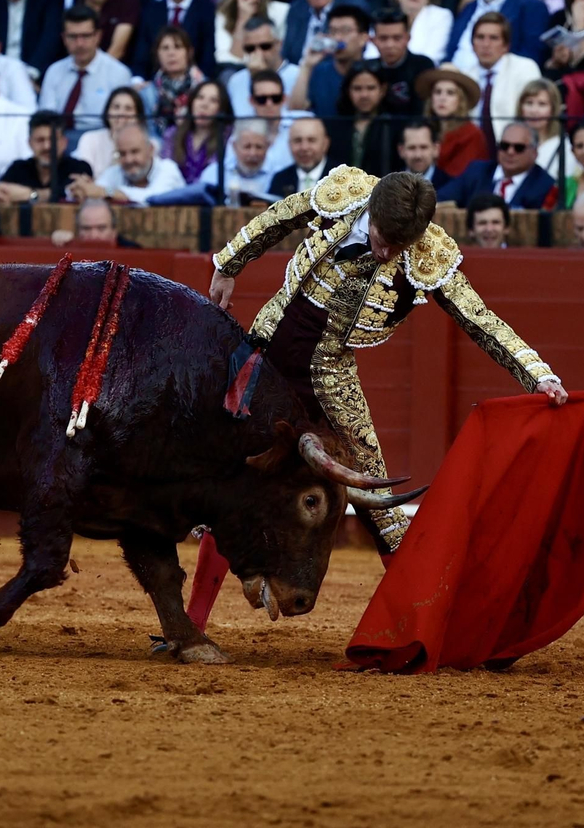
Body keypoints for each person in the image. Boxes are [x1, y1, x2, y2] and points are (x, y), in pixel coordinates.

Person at [196, 165, 564, 616]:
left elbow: (481, 320)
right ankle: (191, 624)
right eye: (381, 237)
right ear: (370, 210)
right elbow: (279, 217)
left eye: (399, 245)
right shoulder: (345, 193)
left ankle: (427, 621)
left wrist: (538, 374)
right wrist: (227, 265)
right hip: (268, 350)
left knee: (381, 503)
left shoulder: (428, 256)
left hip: (330, 377)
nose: (387, 251)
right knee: (230, 478)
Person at [458, 12, 542, 161]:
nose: (486, 44)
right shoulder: (465, 76)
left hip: (515, 151)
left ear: (506, 45)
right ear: (472, 44)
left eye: (493, 38)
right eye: (480, 37)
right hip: (473, 156)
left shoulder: (525, 68)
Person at [37, 5, 134, 135]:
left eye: (86, 36)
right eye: (73, 37)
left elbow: (122, 124)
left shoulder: (118, 73)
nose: (80, 44)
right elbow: (46, 118)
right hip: (59, 139)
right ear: (64, 38)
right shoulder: (54, 71)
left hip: (102, 138)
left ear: (98, 36)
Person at [437, 120, 555, 207]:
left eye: (519, 148)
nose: (510, 152)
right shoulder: (476, 171)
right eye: (504, 146)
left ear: (534, 152)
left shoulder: (545, 184)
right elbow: (440, 199)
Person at [0, 111, 88, 202]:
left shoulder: (78, 168)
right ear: (30, 143)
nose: (47, 146)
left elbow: (70, 194)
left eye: (52, 140)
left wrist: (31, 195)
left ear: (64, 142)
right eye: (40, 140)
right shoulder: (18, 168)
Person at [74, 120, 184, 201]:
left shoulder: (168, 169)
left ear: (150, 149)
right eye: (122, 154)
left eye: (134, 152)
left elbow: (152, 198)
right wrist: (82, 189)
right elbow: (96, 190)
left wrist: (107, 192)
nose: (128, 160)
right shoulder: (114, 172)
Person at [216, 0, 288, 67]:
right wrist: (242, 18)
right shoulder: (222, 16)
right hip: (239, 72)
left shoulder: (281, 11)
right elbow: (229, 61)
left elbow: (282, 54)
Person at [328, 63, 397, 170]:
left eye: (371, 88)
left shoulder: (394, 126)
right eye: (357, 88)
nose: (364, 95)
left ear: (382, 90)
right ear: (348, 91)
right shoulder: (335, 127)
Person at [162, 79, 231, 183]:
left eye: (214, 100)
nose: (204, 105)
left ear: (222, 108)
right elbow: (165, 173)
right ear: (192, 102)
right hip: (174, 194)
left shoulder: (228, 137)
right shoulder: (172, 134)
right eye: (200, 98)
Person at [369, 7, 434, 115]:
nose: (390, 45)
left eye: (397, 38)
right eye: (383, 38)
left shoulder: (423, 66)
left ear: (407, 38)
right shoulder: (367, 70)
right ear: (373, 40)